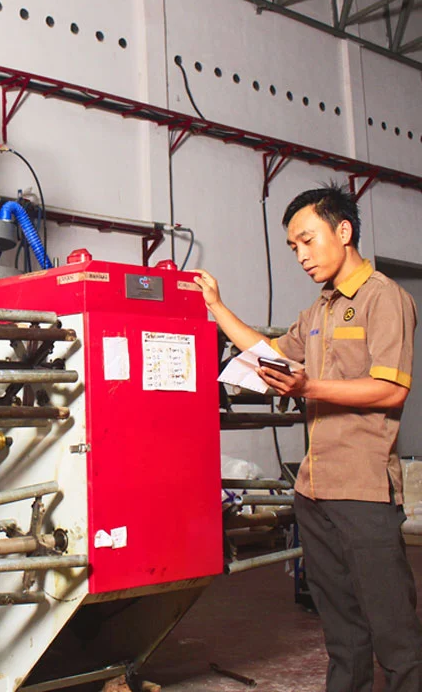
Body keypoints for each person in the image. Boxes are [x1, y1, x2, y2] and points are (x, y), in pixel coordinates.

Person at [194, 183, 422, 692]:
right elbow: (270, 354)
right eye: (293, 246)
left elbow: (391, 389)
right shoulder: (319, 310)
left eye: (307, 240)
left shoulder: (385, 298)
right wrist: (217, 306)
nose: (301, 255)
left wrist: (308, 387)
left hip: (362, 490)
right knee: (341, 630)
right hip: (314, 490)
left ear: (343, 230)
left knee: (394, 631)